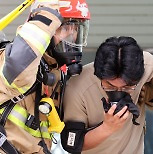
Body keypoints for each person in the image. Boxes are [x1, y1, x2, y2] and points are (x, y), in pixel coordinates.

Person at [0, 0, 90, 153]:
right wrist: (47, 14)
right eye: (64, 27)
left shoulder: (57, 74)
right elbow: (18, 64)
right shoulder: (10, 62)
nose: (71, 34)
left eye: (76, 28)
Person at [61, 36, 153, 154]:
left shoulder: (148, 65)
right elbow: (72, 143)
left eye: (127, 87)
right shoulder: (77, 87)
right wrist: (107, 128)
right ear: (98, 75)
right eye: (110, 86)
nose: (119, 91)